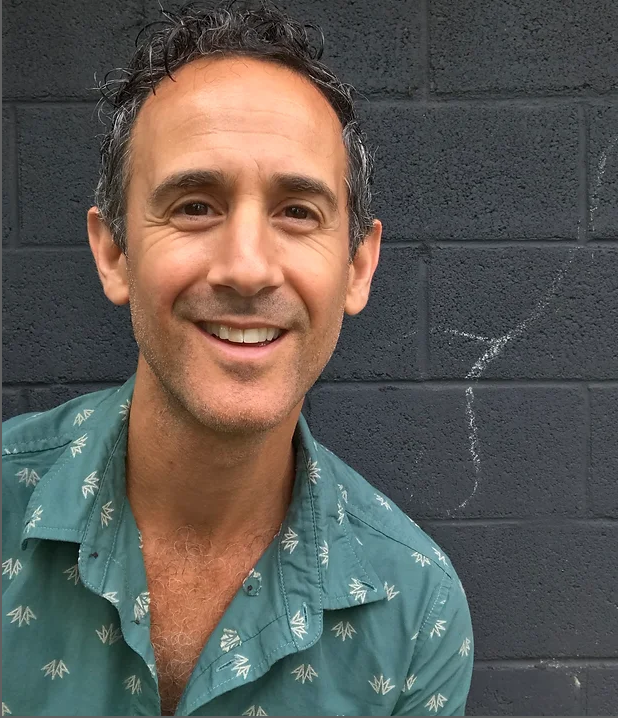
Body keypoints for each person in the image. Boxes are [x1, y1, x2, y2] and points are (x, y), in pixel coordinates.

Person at [1, 2, 473, 716]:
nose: (248, 269)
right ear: (114, 252)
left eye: (297, 212)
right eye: (195, 206)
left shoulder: (415, 611)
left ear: (357, 268)